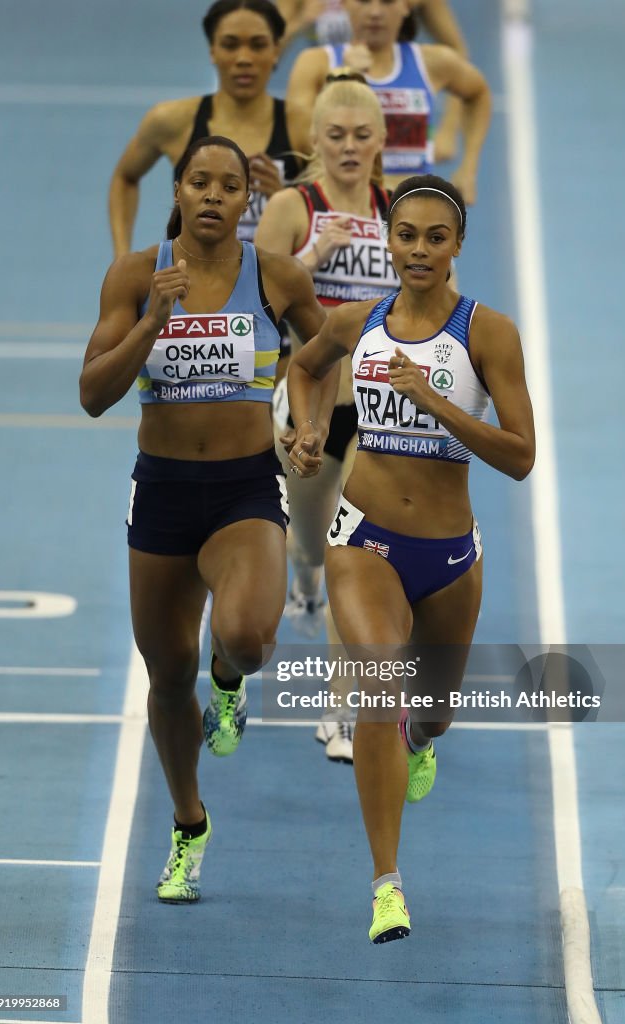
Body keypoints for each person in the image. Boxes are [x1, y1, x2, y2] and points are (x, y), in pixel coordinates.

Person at [284, 174, 535, 942]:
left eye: (435, 237)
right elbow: (304, 366)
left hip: (452, 555)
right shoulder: (357, 321)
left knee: (431, 714)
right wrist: (306, 429)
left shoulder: (487, 334)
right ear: (387, 241)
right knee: (380, 688)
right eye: (406, 235)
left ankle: (421, 742)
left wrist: (437, 403)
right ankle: (385, 884)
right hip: (363, 539)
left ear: (458, 246)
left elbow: (521, 457)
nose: (419, 250)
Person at [81, 136, 331, 903]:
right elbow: (93, 392)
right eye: (200, 182)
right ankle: (190, 823)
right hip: (160, 492)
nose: (216, 195)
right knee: (163, 676)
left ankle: (230, 676)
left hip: (244, 490)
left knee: (249, 638)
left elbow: (324, 352)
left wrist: (310, 422)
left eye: (230, 185)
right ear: (180, 191)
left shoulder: (276, 276)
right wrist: (151, 322)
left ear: (247, 200)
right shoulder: (135, 275)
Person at [256, 73, 398, 763]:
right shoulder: (293, 204)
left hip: (374, 415)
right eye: (335, 136)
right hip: (307, 402)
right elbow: (257, 300)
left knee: (355, 556)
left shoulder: (396, 206)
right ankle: (302, 578)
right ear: (314, 139)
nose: (348, 147)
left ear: (381, 141)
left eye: (361, 136)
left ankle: (340, 710)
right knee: (311, 546)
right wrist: (314, 256)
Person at [109, 0, 304, 257]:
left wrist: (285, 200)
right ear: (213, 50)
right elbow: (125, 177)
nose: (244, 58)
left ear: (276, 50)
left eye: (257, 45)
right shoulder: (173, 121)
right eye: (230, 45)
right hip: (191, 285)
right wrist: (122, 256)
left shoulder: (305, 127)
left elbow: (337, 210)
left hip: (272, 287)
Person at [284, 0, 491, 200]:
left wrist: (468, 168)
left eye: (387, 1)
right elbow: (300, 144)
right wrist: (343, 79)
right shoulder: (315, 64)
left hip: (408, 215)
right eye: (364, 1)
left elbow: (478, 93)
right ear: (345, 3)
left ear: (406, 5)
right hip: (344, 214)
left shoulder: (431, 63)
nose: (375, 12)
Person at [276, 0, 469, 160]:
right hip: (329, 87)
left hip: (391, 87)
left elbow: (456, 48)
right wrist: (300, 22)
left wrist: (449, 130)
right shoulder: (314, 59)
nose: (375, 11)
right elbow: (270, 50)